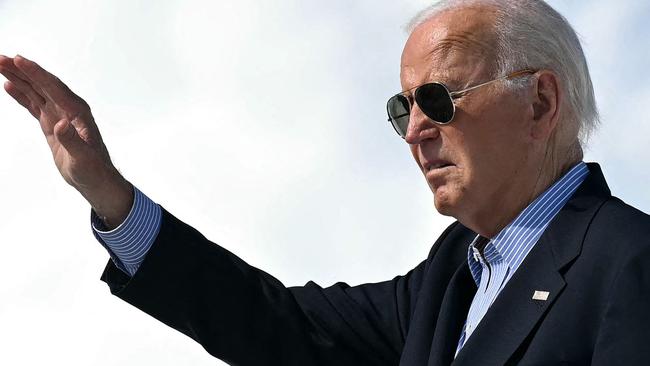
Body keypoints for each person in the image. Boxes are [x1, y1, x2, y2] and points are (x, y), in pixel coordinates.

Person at [1, 0, 649, 365]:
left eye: (440, 99)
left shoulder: (630, 263)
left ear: (539, 102)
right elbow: (274, 325)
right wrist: (111, 198)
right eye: (403, 109)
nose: (415, 131)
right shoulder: (452, 275)